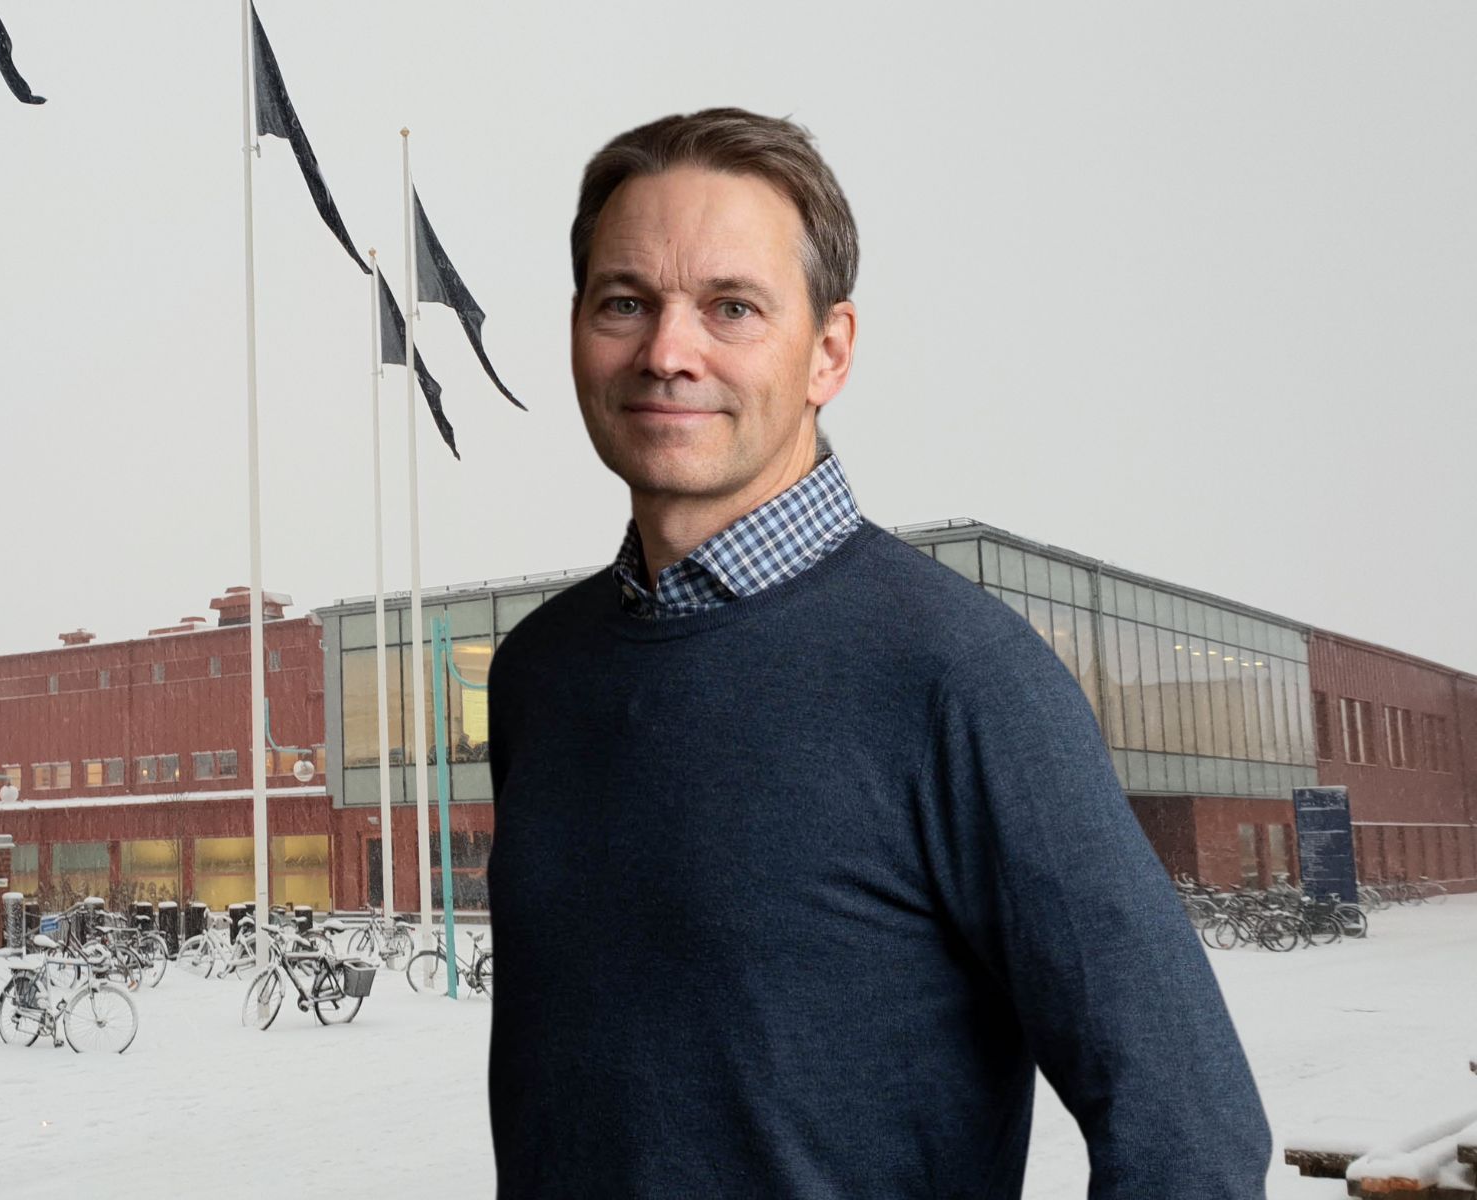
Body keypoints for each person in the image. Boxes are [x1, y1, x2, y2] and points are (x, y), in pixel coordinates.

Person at [484, 108, 1270, 1198]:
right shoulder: (538, 675)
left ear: (829, 352)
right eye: (626, 302)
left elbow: (1190, 1130)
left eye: (732, 308)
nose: (668, 351)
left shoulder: (959, 675)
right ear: (577, 327)